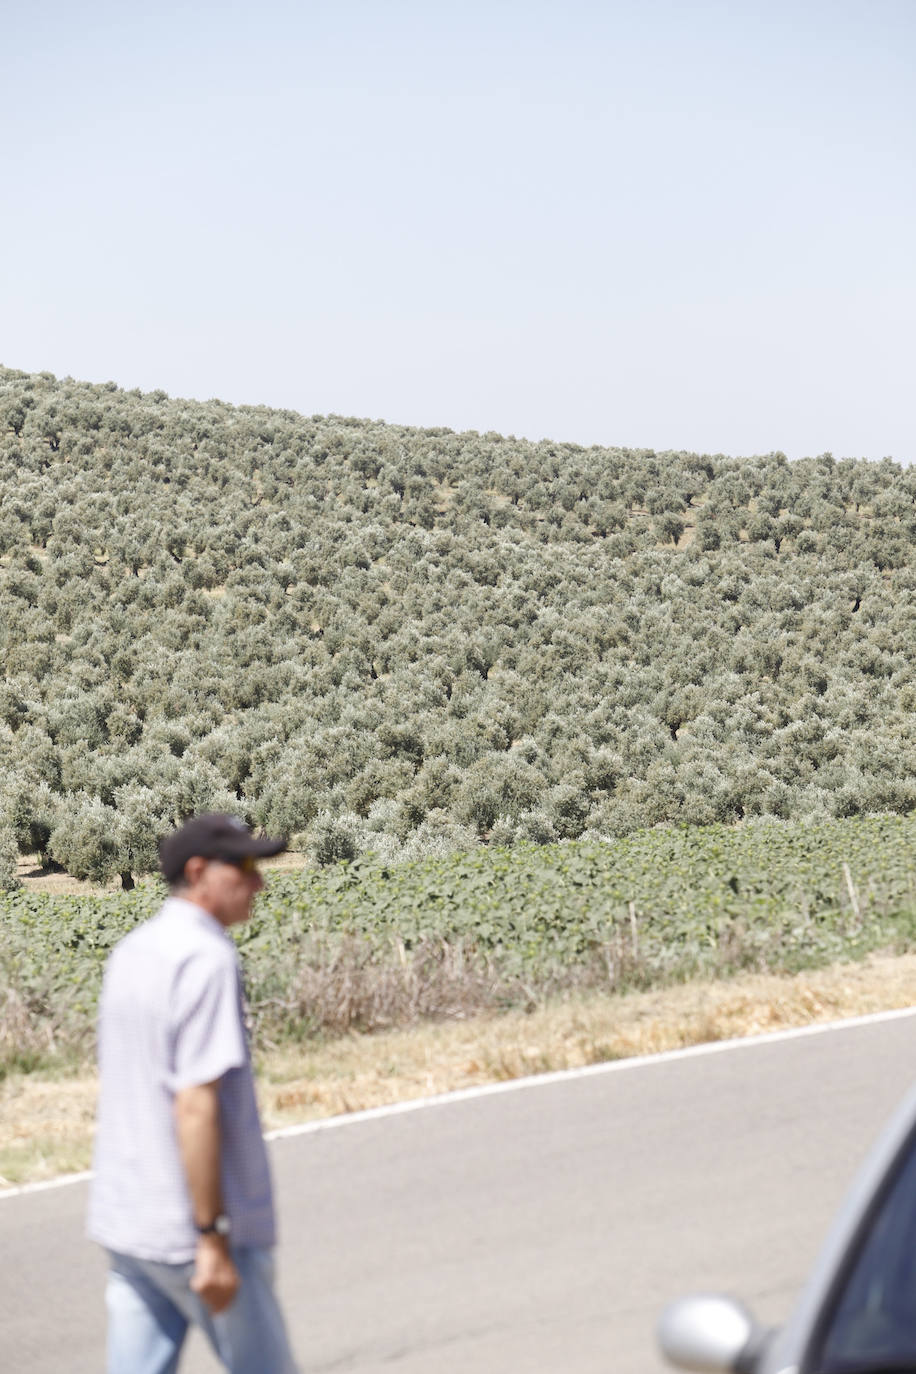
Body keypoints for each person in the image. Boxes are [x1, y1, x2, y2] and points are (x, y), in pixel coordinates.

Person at [87, 812, 300, 1374]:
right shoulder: (205, 958)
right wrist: (212, 1237)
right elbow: (195, 1103)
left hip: (129, 1224)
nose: (259, 882)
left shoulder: (133, 951)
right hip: (192, 1234)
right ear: (200, 871)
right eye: (247, 866)